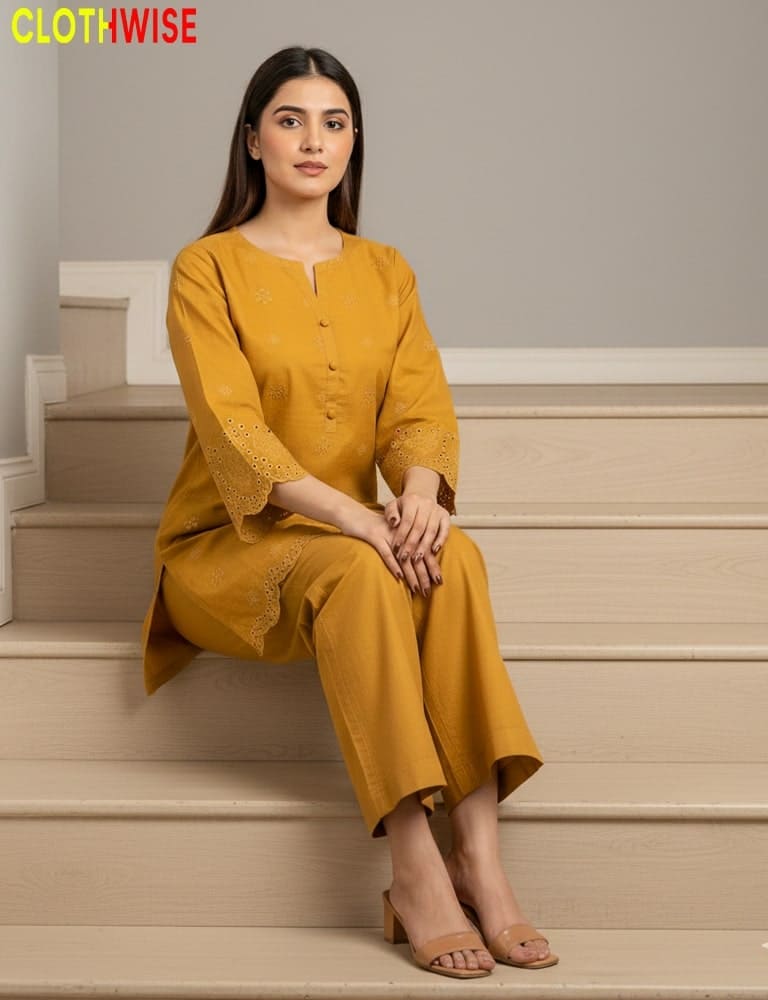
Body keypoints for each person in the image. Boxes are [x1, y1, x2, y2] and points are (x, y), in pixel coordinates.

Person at [140, 45, 558, 980]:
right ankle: (414, 866)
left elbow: (418, 413)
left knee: (459, 557)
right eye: (289, 119)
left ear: (354, 140)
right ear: (252, 140)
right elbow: (233, 429)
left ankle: (481, 862)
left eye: (333, 122)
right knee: (364, 569)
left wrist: (414, 496)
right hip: (228, 547)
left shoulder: (386, 270)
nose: (312, 140)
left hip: (349, 532)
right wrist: (358, 519)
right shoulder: (204, 269)